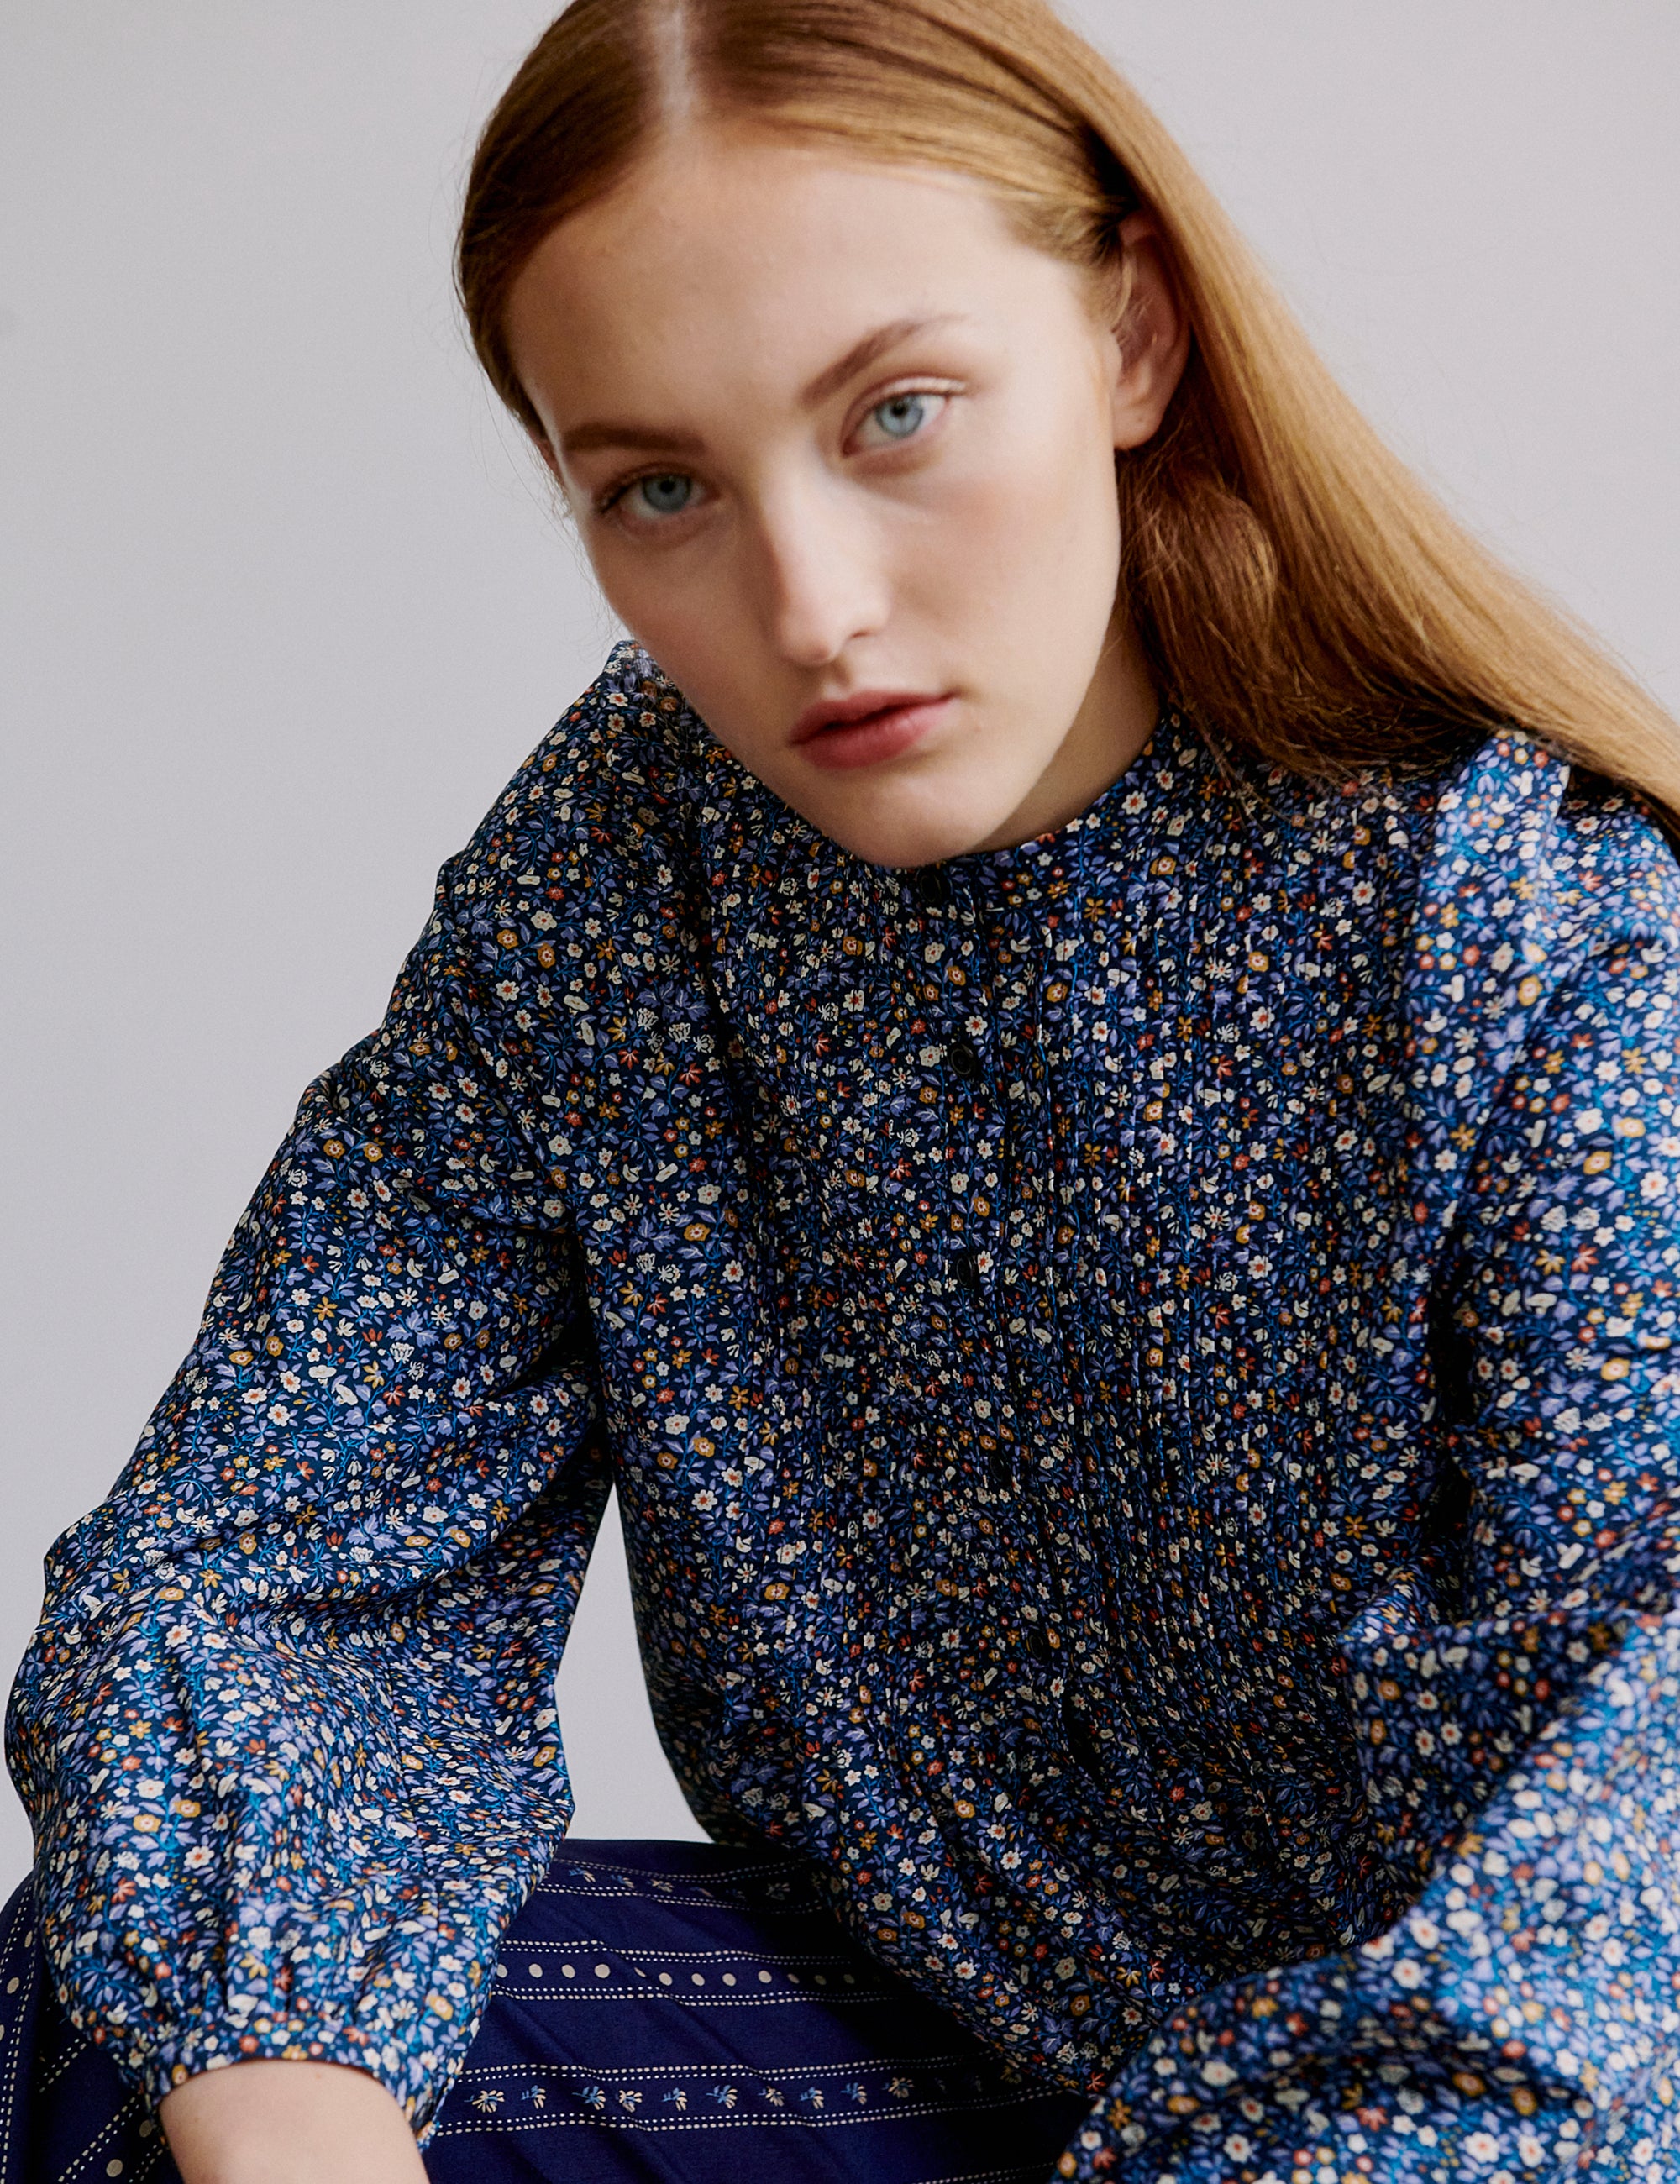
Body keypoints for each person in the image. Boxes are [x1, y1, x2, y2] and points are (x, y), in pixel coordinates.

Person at [6, 0, 1680, 2178]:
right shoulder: (625, 879)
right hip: (955, 2056)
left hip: (1470, 2129)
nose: (810, 605)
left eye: (896, 413)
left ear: (1136, 340)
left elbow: (1620, 1927)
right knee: (129, 2014)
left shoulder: (1538, 939)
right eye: (661, 487)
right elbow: (260, 1570)